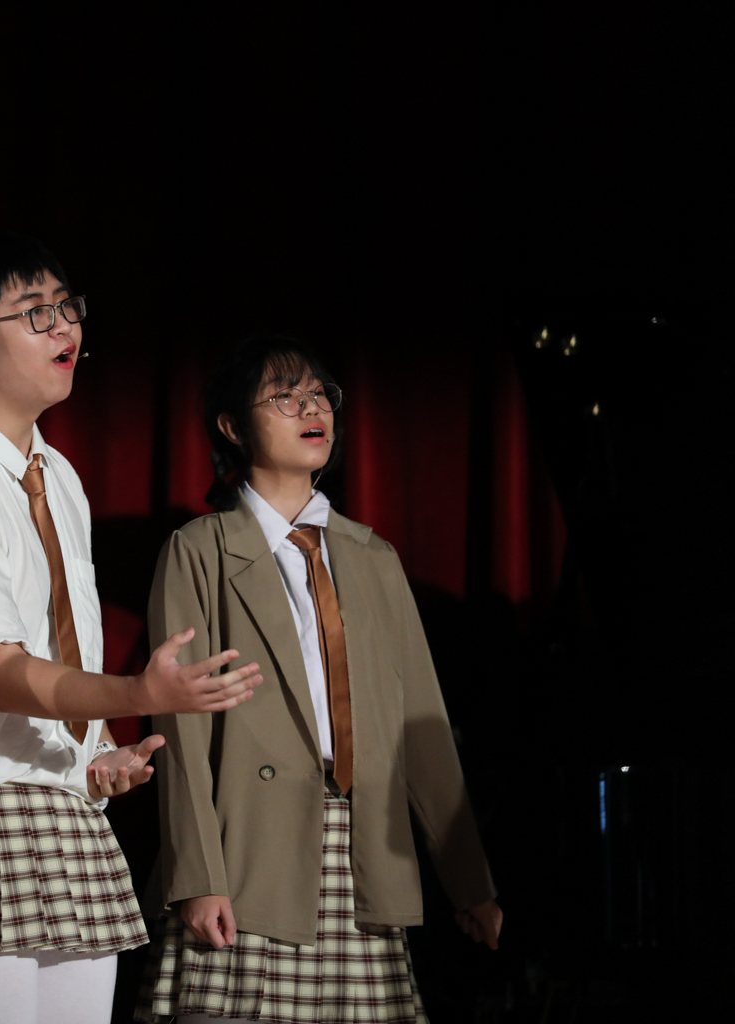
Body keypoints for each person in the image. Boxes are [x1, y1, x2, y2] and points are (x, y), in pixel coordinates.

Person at [0, 232, 263, 1024]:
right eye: (34, 313)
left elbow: (57, 636)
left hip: (65, 805)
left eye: (67, 306)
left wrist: (95, 755)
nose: (65, 327)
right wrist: (136, 692)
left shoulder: (54, 472)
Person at [139, 335, 502, 1024]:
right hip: (248, 855)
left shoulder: (374, 556)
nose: (312, 409)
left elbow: (422, 728)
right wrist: (198, 877)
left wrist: (469, 883)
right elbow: (180, 732)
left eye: (319, 395)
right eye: (284, 396)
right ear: (231, 426)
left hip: (362, 852)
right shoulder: (200, 550)